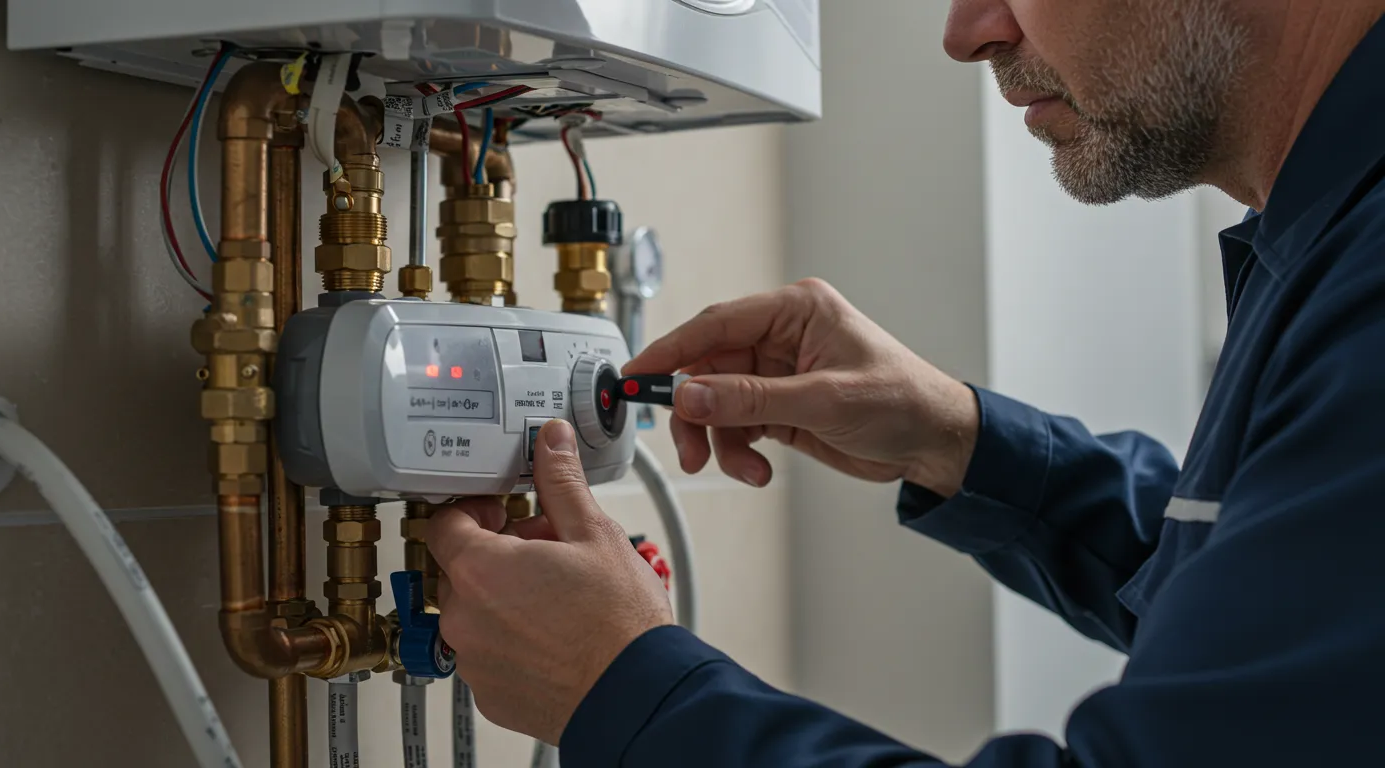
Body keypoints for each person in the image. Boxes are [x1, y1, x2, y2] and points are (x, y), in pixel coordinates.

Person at [425, 0, 1385, 764]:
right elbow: (1276, 621)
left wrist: (622, 686)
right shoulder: (1327, 237)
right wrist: (961, 442)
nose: (967, 32)